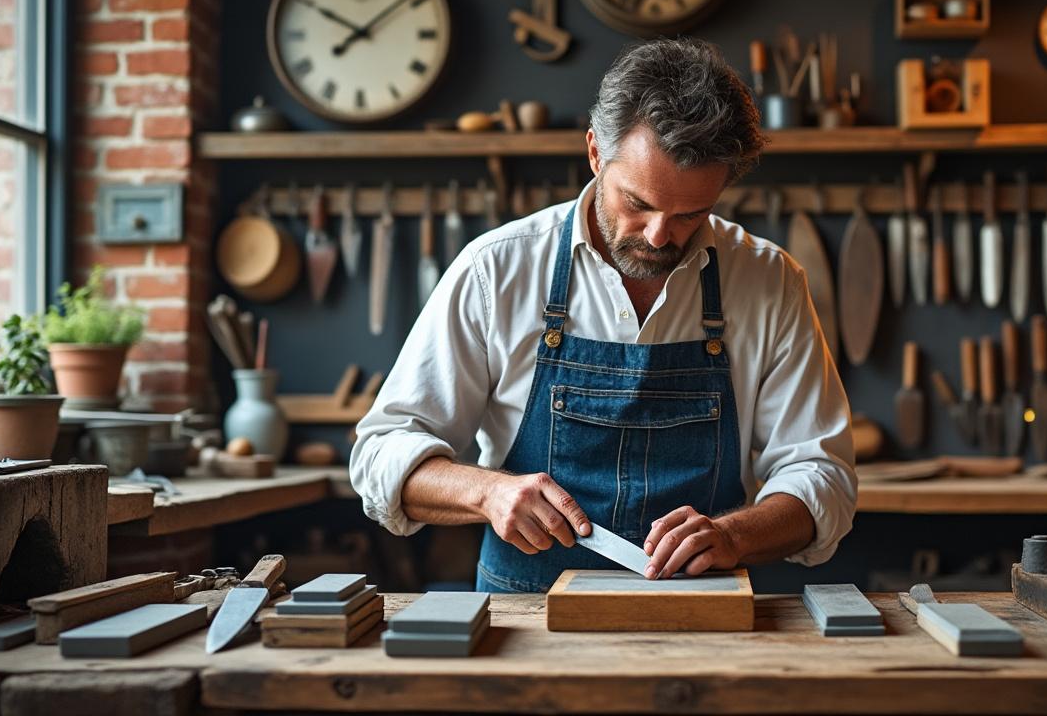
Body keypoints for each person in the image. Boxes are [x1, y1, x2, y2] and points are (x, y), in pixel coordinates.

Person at [350, 38, 856, 593]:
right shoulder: (496, 270)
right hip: (529, 620)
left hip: (703, 619)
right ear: (595, 152)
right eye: (637, 204)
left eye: (691, 214)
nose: (660, 236)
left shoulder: (770, 281)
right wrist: (488, 492)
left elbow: (822, 476)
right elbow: (382, 452)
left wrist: (734, 536)